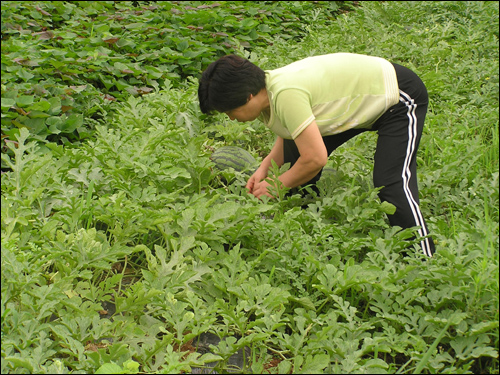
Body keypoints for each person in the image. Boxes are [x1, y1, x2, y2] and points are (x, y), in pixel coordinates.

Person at [198, 53, 435, 257]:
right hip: (354, 102)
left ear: (248, 96)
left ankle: (424, 257)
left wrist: (276, 185)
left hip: (397, 96)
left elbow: (315, 159)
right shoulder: (267, 91)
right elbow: (291, 131)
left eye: (230, 111)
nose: (230, 118)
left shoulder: (285, 93)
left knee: (390, 182)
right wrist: (264, 170)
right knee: (293, 163)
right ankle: (304, 229)